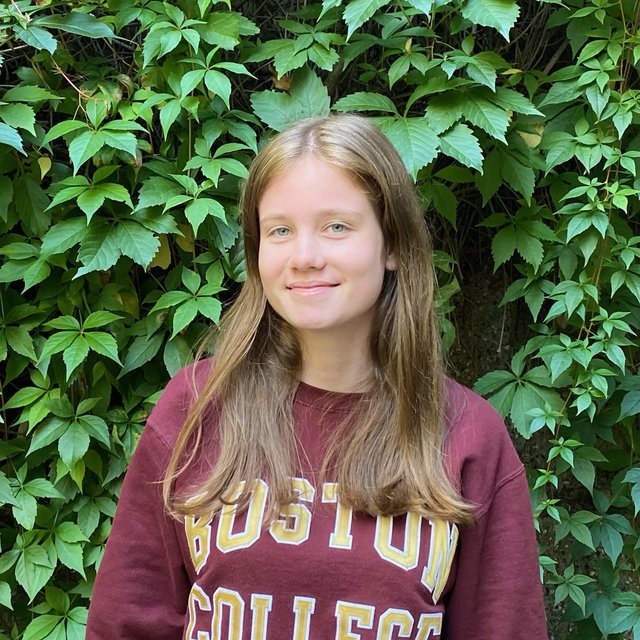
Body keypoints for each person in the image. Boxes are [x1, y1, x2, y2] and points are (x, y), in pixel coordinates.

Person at [86, 114, 548, 639]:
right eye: (280, 230)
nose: (304, 257)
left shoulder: (468, 436)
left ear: (393, 245)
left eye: (336, 227)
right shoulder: (197, 407)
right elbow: (124, 625)